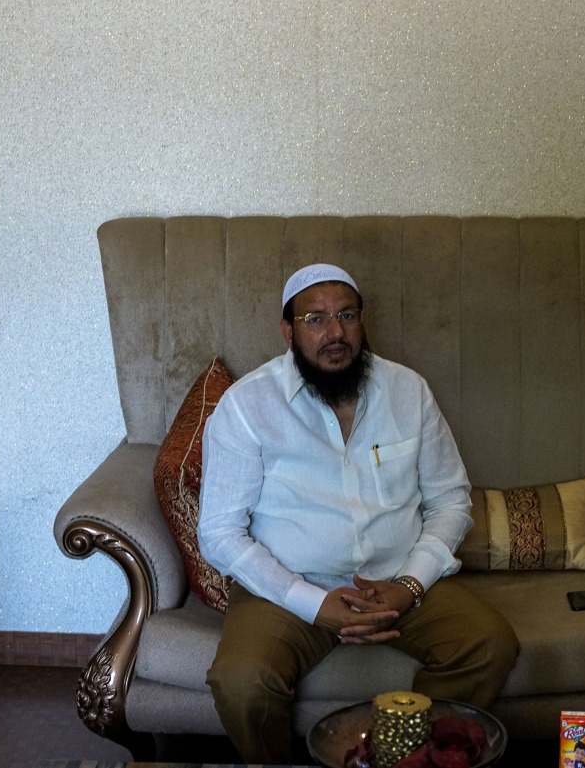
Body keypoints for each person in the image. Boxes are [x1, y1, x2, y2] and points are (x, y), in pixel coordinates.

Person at [197, 263, 520, 763]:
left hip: (396, 578)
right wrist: (314, 602)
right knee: (242, 682)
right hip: (290, 586)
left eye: (347, 315)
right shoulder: (246, 406)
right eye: (315, 319)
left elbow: (451, 500)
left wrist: (409, 585)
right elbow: (219, 533)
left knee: (489, 645)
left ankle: (413, 757)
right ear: (288, 331)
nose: (335, 333)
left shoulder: (408, 391)